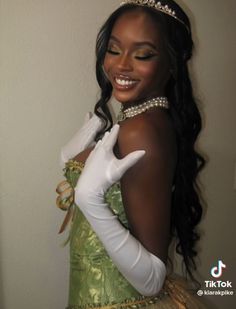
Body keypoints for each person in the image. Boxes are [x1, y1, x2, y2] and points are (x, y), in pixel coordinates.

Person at [56, 0, 207, 308]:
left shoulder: (141, 130)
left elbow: (152, 279)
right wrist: (71, 158)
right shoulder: (139, 121)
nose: (122, 65)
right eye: (114, 50)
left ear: (172, 63)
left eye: (142, 55)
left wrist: (90, 199)